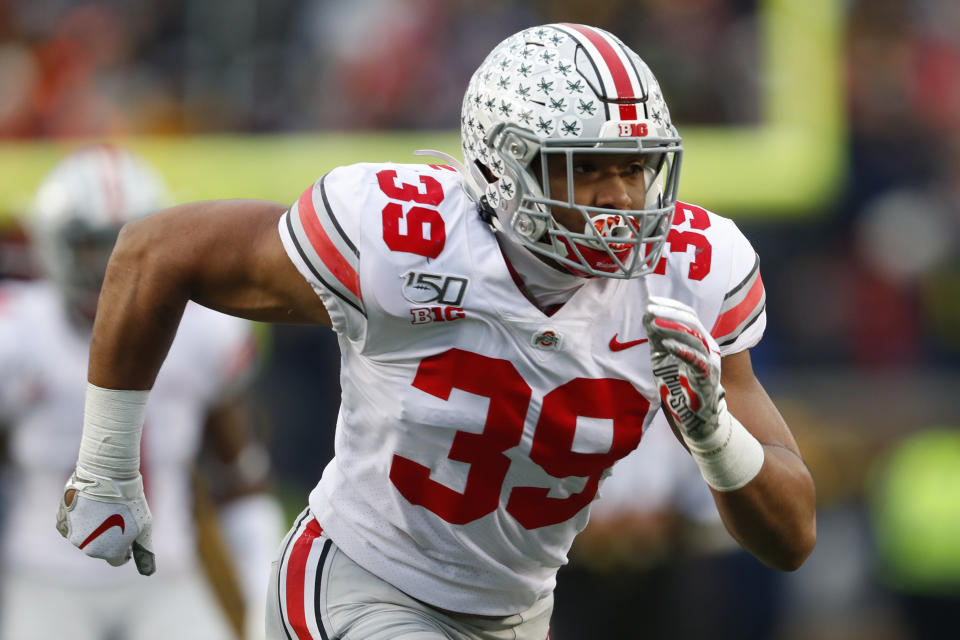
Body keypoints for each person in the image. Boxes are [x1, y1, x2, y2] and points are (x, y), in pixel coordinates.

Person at [55, 25, 816, 640]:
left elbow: (792, 539)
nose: (620, 200)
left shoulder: (692, 269)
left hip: (517, 612)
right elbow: (153, 251)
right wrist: (108, 467)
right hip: (360, 583)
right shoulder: (406, 238)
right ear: (503, 170)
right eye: (586, 170)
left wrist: (715, 436)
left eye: (635, 167)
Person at [0, 145, 284, 640]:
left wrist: (264, 590)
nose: (109, 271)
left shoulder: (203, 335)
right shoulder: (17, 334)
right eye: (91, 249)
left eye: (122, 248)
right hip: (46, 580)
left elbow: (240, 478)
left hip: (166, 577)